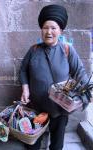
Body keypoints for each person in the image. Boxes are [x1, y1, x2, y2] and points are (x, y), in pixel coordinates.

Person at [19, 4, 88, 150]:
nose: (48, 32)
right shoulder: (34, 50)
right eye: (45, 27)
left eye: (53, 28)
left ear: (61, 30)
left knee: (57, 144)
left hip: (60, 107)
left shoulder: (67, 50)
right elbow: (23, 70)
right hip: (36, 107)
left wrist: (88, 91)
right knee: (32, 143)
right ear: (41, 30)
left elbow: (80, 73)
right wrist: (25, 89)